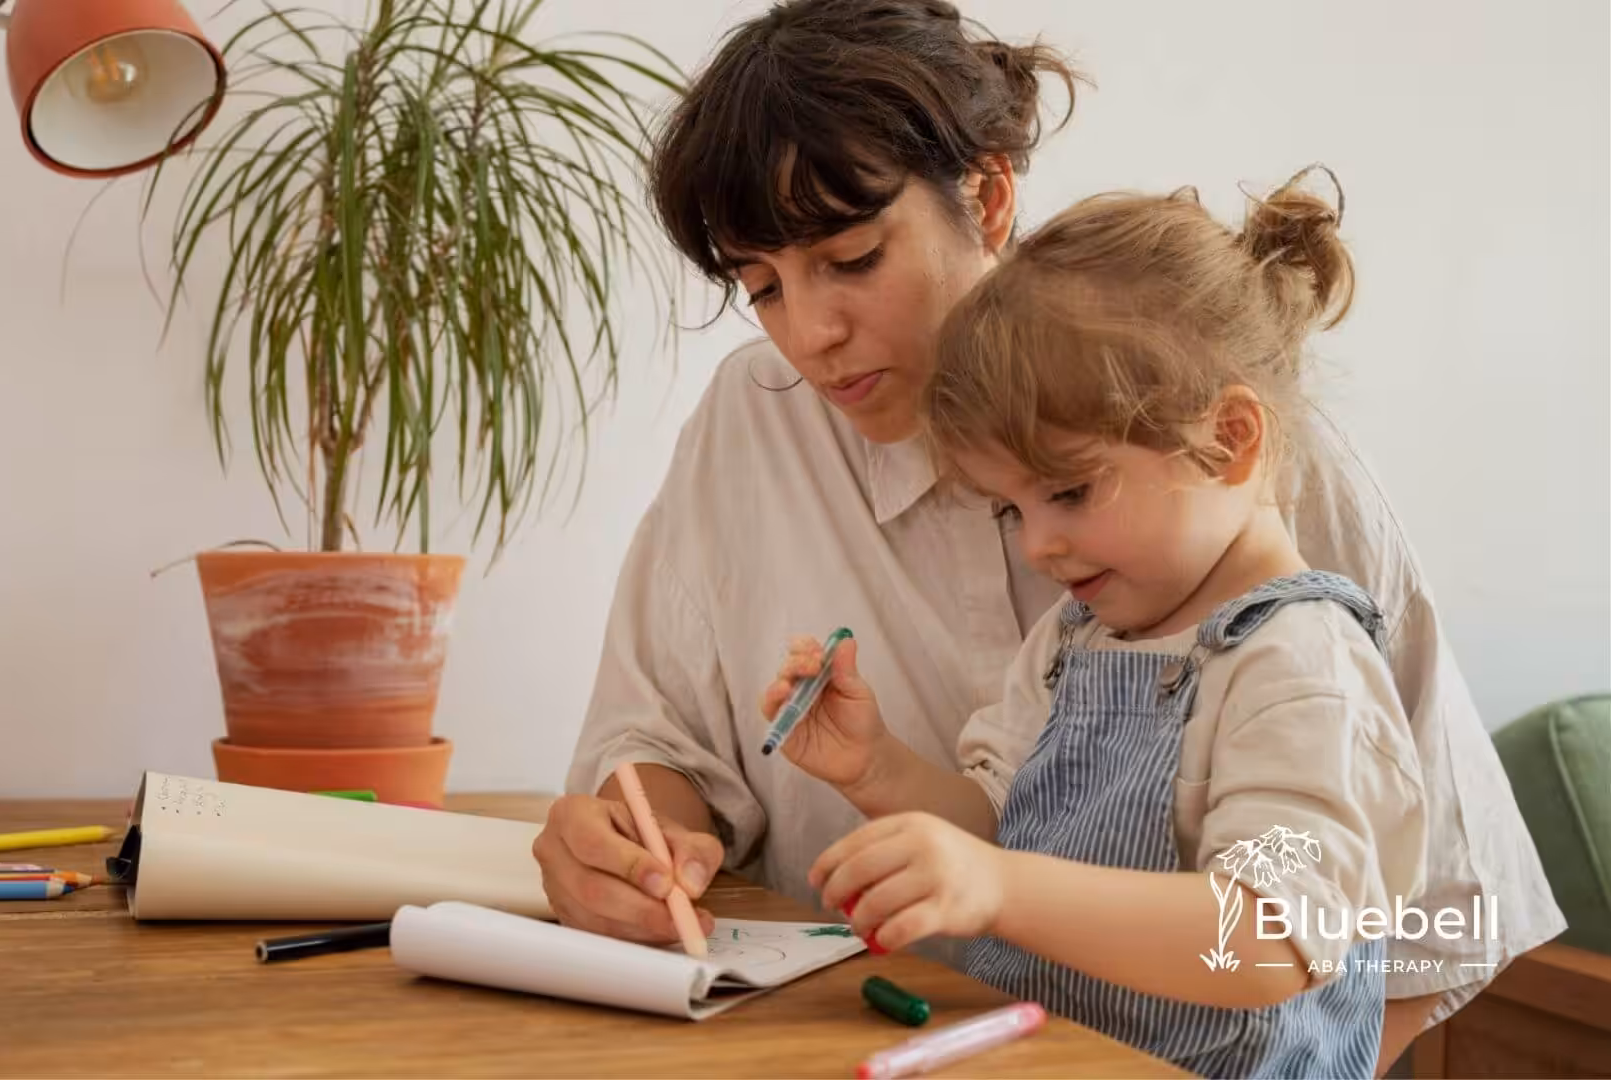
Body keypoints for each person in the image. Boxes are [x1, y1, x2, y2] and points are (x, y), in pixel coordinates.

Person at [540, 0, 1564, 1069]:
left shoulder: (1282, 590)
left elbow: (1402, 924)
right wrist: (868, 772)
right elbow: (982, 817)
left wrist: (1015, 901)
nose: (810, 334)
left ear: (987, 196)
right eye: (761, 287)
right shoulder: (1070, 637)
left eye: (853, 258)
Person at [773, 169, 1425, 1077]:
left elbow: (1268, 938)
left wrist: (1000, 890)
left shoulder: (1302, 665)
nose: (1040, 544)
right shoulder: (1078, 638)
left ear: (1230, 440)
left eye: (1070, 492)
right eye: (1013, 509)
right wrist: (874, 766)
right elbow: (998, 827)